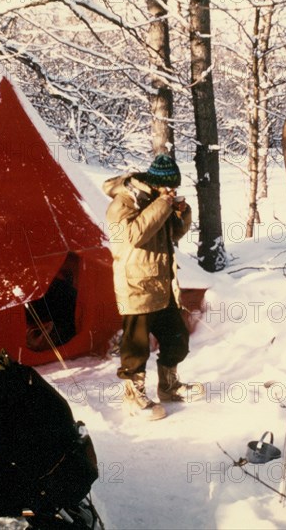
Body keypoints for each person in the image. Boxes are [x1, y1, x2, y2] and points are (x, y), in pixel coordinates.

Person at [103, 154, 204, 421]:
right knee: (136, 348)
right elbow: (134, 236)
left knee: (177, 338)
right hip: (135, 284)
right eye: (169, 187)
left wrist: (181, 213)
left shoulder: (158, 200)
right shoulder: (124, 201)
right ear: (157, 184)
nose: (172, 192)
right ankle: (133, 397)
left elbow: (172, 234)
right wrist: (163, 203)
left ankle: (168, 386)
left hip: (161, 283)